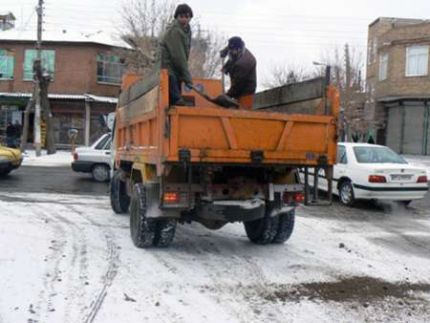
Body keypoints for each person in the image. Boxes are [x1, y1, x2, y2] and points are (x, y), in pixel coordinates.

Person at [160, 3, 194, 106]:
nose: (184, 19)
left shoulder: (187, 30)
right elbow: (179, 57)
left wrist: (184, 75)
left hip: (176, 69)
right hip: (168, 67)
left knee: (177, 95)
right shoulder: (175, 31)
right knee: (176, 99)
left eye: (187, 17)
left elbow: (184, 53)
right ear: (177, 17)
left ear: (190, 17)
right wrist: (187, 78)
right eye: (181, 16)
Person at [220, 36, 257, 110]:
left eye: (232, 51)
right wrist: (224, 52)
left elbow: (237, 85)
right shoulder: (238, 46)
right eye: (230, 51)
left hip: (246, 92)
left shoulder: (244, 63)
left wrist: (227, 96)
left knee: (242, 114)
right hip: (238, 86)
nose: (230, 53)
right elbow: (229, 47)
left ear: (238, 49)